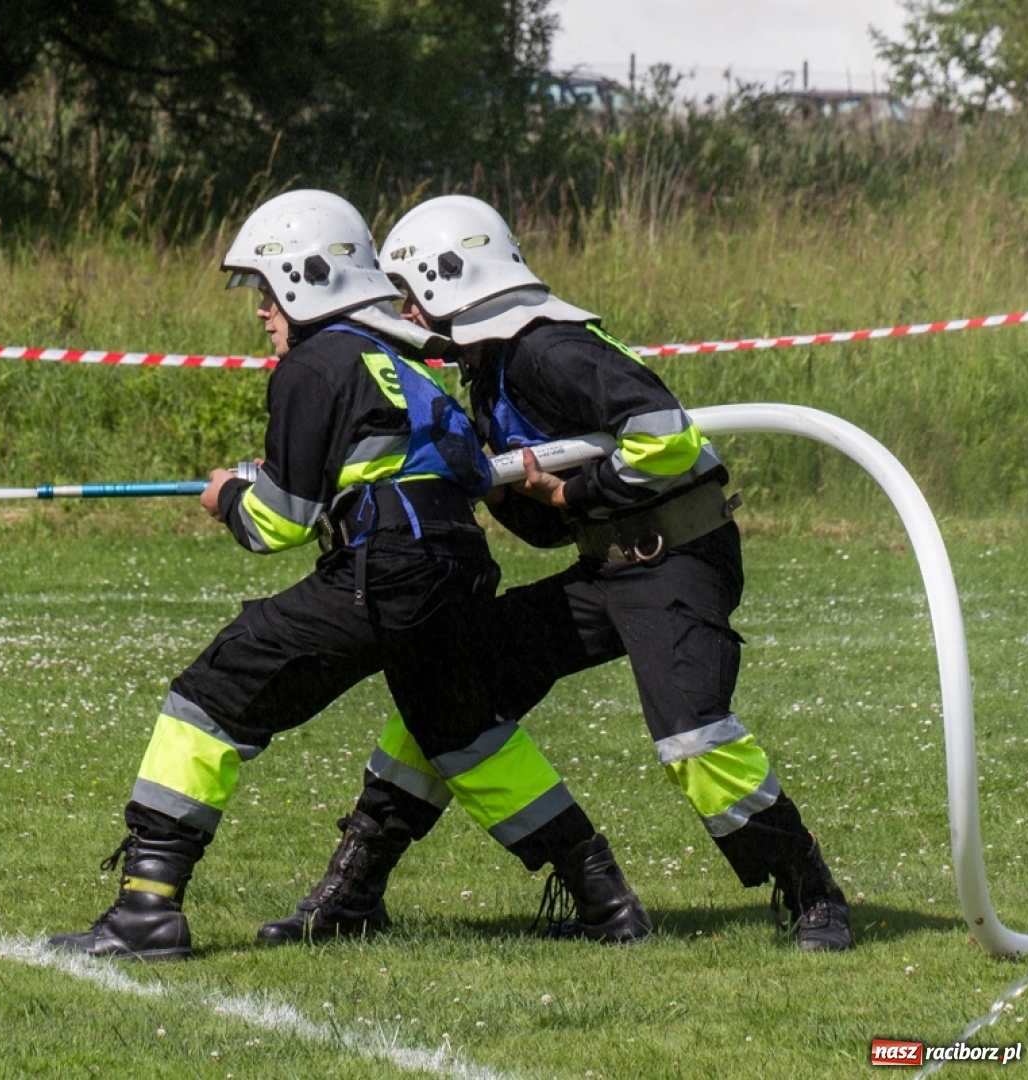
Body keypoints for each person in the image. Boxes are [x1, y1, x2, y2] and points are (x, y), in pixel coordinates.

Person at [48, 190, 649, 961]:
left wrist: (229, 494)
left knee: (210, 697)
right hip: (459, 565)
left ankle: (147, 910)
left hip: (388, 567)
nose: (262, 310)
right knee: (461, 732)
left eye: (266, 290)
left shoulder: (313, 364)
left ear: (304, 278)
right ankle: (604, 897)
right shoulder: (405, 362)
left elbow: (276, 524)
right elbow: (441, 472)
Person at [256, 195, 852, 952]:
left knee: (694, 739)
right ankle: (358, 889)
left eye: (409, 292)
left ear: (447, 279)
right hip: (608, 567)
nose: (404, 309)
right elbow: (546, 529)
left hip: (677, 560)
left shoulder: (547, 348)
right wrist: (515, 491)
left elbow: (664, 435)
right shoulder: (493, 364)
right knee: (453, 686)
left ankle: (810, 890)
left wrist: (575, 491)